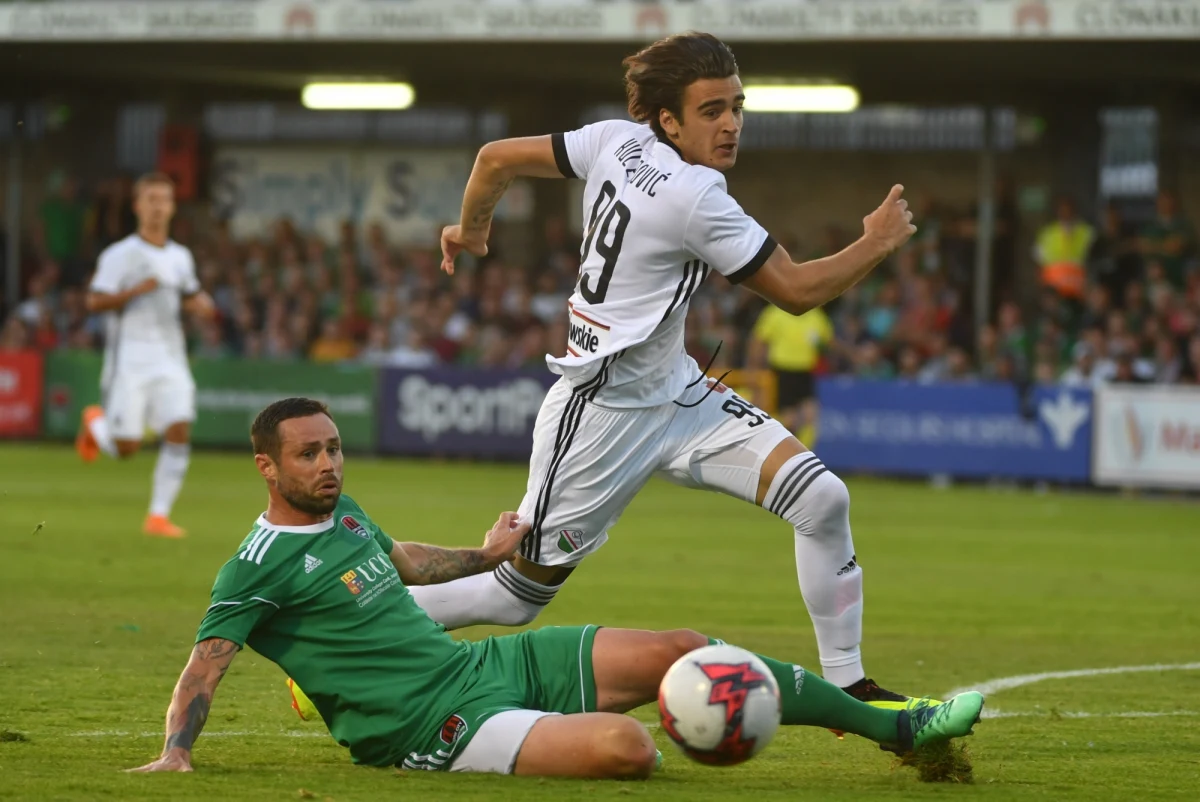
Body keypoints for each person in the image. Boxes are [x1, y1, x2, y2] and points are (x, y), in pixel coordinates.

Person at [420, 32, 921, 706]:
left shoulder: (610, 141)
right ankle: (359, 638)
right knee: (512, 598)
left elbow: (494, 159)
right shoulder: (693, 196)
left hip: (679, 395)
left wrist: (472, 228)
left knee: (823, 498)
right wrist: (876, 242)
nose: (731, 125)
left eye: (737, 107)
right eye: (711, 111)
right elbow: (797, 292)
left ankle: (851, 689)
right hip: (601, 414)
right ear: (668, 120)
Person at [128, 398, 985, 778]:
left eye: (334, 448)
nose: (329, 463)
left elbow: (403, 562)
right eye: (309, 454)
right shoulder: (254, 565)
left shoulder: (343, 513)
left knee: (686, 651)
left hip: (473, 673)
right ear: (266, 466)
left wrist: (484, 552)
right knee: (628, 748)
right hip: (433, 726)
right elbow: (203, 667)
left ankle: (894, 727)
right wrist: (178, 750)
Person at [75, 172, 215, 538]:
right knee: (126, 448)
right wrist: (134, 291)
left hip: (171, 358)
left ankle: (157, 516)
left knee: (180, 427)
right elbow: (93, 300)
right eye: (150, 199)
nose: (157, 207)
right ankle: (94, 422)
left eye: (163, 200)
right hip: (129, 362)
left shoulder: (180, 257)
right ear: (137, 206)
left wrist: (203, 306)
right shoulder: (120, 255)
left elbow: (190, 294)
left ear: (171, 207)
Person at [749, 303, 834, 447]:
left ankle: (806, 455)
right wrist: (755, 367)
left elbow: (828, 343)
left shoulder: (816, 315)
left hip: (805, 372)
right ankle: (782, 453)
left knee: (810, 415)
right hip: (782, 371)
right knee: (789, 419)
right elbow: (758, 341)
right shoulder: (775, 313)